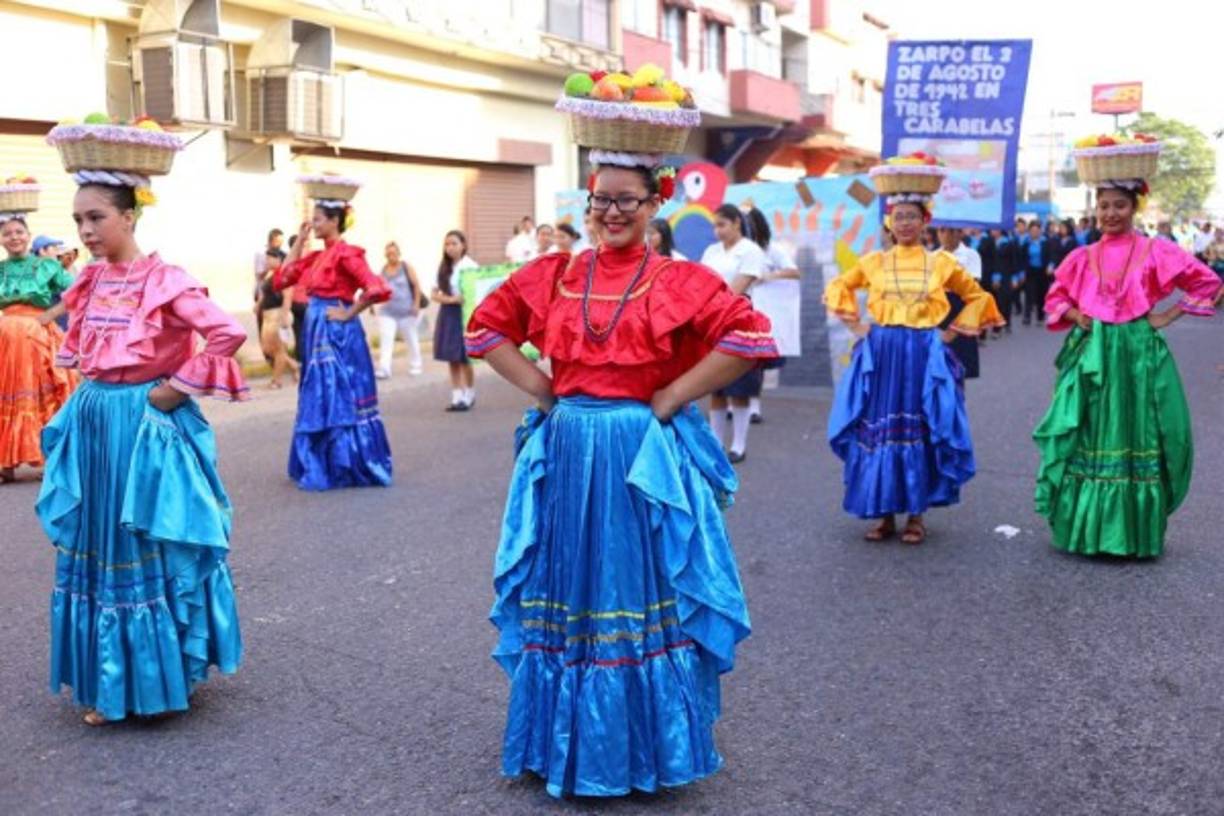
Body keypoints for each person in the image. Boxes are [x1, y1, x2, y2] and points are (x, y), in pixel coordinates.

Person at [462, 80, 776, 795]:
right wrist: (546, 391)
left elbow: (749, 336)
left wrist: (669, 395)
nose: (609, 212)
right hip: (571, 449)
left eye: (625, 201)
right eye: (599, 200)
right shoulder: (558, 274)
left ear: (655, 201)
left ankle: (636, 749)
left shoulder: (676, 279)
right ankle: (569, 744)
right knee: (570, 588)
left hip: (638, 456)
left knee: (631, 591)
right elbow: (486, 329)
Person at [38, 123, 246, 724]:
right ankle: (117, 679)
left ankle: (157, 676)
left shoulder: (165, 279)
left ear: (129, 216)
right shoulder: (90, 280)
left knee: (145, 541)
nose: (85, 231)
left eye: (96, 218)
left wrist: (176, 389)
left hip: (144, 425)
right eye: (79, 219)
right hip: (97, 422)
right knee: (100, 546)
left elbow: (228, 334)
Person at [1034, 139, 1224, 559]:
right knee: (1088, 430)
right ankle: (1089, 532)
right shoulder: (1083, 255)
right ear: (1095, 208)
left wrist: (1166, 316)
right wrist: (1078, 315)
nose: (1110, 214)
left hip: (1138, 352)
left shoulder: (1156, 250)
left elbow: (1208, 283)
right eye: (1103, 205)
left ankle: (1130, 533)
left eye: (1119, 205)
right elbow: (1055, 298)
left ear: (1134, 207)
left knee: (1143, 431)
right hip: (1094, 355)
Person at [824, 156, 1004, 545]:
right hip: (884, 351)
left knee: (922, 424)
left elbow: (977, 296)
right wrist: (858, 327)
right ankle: (884, 512)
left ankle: (917, 516)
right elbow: (839, 286)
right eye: (898, 216)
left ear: (926, 221)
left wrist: (951, 333)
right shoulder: (874, 262)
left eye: (912, 216)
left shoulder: (941, 264)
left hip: (923, 352)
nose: (904, 223)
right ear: (889, 222)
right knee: (880, 427)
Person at [275, 180, 393, 490]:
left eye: (316, 220)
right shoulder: (317, 256)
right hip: (316, 332)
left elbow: (376, 287)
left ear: (333, 221)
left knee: (340, 393)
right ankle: (325, 461)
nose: (312, 224)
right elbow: (283, 278)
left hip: (336, 333)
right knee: (319, 393)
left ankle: (346, 462)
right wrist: (299, 242)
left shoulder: (346, 254)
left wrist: (348, 312)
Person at [0, 216, 76, 481]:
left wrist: (51, 313)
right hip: (6, 339)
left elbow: (78, 291)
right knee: (5, 392)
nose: (14, 237)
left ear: (28, 235)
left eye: (19, 232)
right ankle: (5, 465)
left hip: (38, 337)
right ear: (1, 240)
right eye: (7, 233)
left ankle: (48, 459)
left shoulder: (46, 266)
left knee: (43, 395)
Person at [700, 204, 767, 463]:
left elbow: (738, 287)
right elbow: (703, 282)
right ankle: (716, 445)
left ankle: (739, 445)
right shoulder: (711, 251)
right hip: (713, 319)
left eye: (722, 225)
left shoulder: (750, 251)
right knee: (716, 387)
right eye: (715, 226)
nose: (717, 231)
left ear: (737, 223)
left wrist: (711, 302)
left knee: (740, 386)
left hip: (740, 318)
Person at [743, 206, 800, 423]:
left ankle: (753, 406)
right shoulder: (733, 250)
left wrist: (768, 276)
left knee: (757, 360)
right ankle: (734, 403)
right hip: (738, 309)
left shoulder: (771, 249)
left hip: (763, 310)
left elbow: (794, 271)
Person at [432, 230, 477, 411]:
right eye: (447, 244)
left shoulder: (470, 265)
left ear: (463, 245)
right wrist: (451, 300)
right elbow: (434, 293)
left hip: (466, 313)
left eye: (454, 243)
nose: (450, 248)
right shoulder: (443, 267)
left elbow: (475, 291)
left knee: (465, 356)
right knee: (451, 356)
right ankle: (456, 394)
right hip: (448, 312)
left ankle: (470, 392)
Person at [936, 226, 983, 378]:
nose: (945, 235)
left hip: (961, 312)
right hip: (938, 313)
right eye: (941, 231)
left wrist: (956, 329)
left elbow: (973, 294)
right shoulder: (933, 256)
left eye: (949, 230)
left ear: (959, 232)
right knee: (937, 372)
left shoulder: (970, 255)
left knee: (959, 372)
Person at [375, 240, 424, 379]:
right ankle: (385, 368)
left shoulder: (406, 267)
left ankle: (416, 364)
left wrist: (416, 304)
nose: (391, 255)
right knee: (386, 338)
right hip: (387, 311)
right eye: (389, 253)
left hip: (407, 311)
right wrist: (374, 305)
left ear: (399, 253)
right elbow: (379, 289)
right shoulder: (383, 270)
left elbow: (416, 285)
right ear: (385, 254)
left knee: (411, 338)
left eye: (394, 252)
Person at [256, 247, 298, 389]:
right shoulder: (270, 276)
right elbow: (264, 294)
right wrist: (258, 305)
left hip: (278, 314)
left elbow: (288, 297)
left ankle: (276, 381)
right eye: (266, 258)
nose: (267, 261)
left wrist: (285, 316)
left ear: (279, 259)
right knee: (268, 349)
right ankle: (294, 365)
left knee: (279, 349)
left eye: (270, 258)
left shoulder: (284, 275)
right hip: (267, 316)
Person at [1020, 220, 1052, 325]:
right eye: (1032, 230)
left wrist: (1050, 266)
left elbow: (1051, 256)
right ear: (1029, 231)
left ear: (1040, 231)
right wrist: (1022, 272)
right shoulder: (1026, 243)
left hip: (1043, 271)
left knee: (1041, 294)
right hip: (1030, 271)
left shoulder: (1046, 242)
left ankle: (1040, 317)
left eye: (1037, 230)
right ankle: (1027, 316)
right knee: (1029, 293)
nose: (1034, 233)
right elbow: (1022, 258)